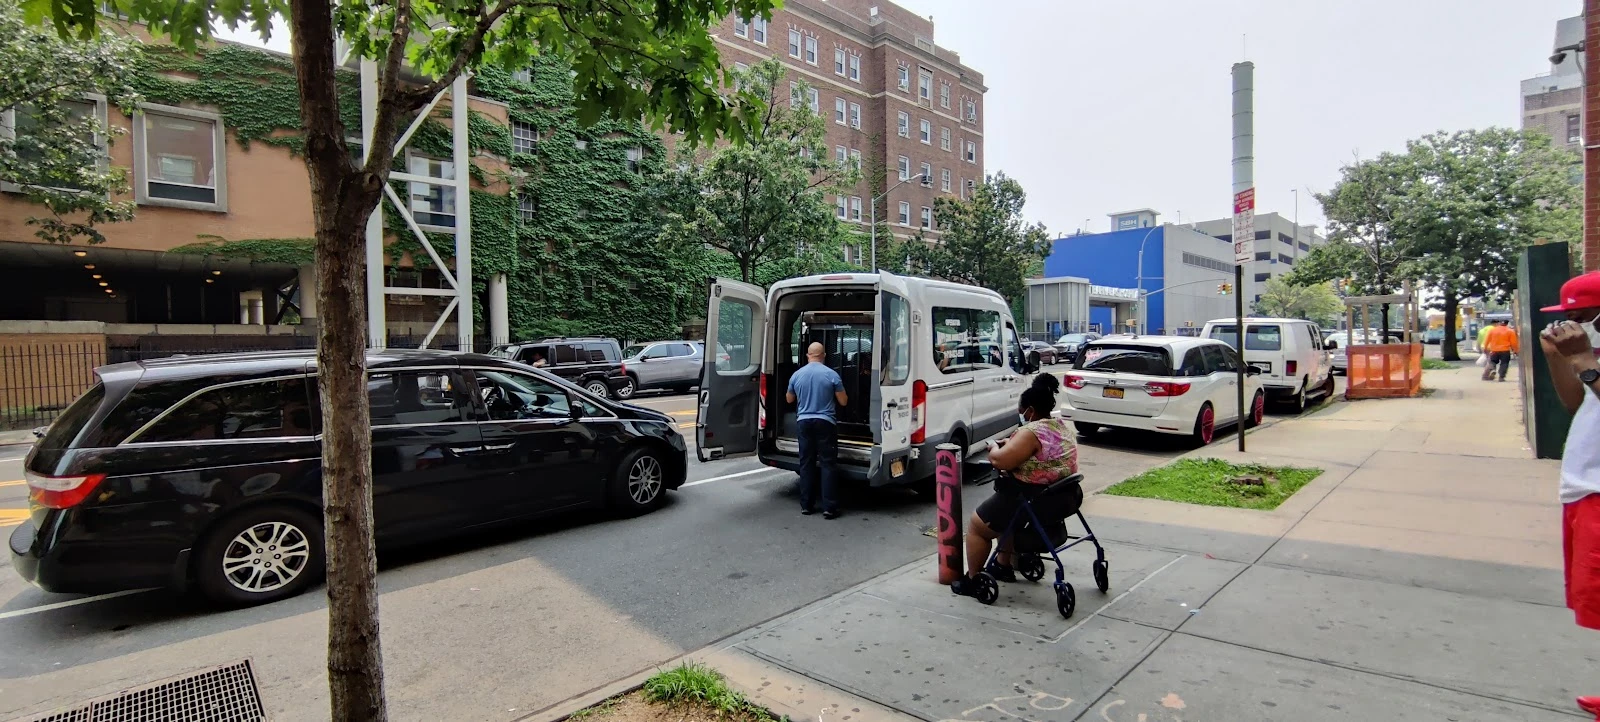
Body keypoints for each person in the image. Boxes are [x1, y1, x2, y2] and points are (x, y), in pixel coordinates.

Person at [952, 375, 1080, 596]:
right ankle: (1003, 565)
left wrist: (994, 448)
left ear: (1030, 410)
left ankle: (972, 580)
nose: (1021, 415)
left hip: (1031, 499)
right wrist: (1011, 443)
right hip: (1062, 495)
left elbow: (1000, 461)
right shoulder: (1060, 427)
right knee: (1005, 517)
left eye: (1022, 411)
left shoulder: (1031, 433)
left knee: (977, 527)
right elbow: (1038, 453)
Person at [1538, 272, 1600, 720]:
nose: (1571, 324)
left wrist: (1583, 359)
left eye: (1581, 316)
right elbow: (1575, 404)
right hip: (1583, 489)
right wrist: (1559, 360)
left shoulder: (1590, 355)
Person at [787, 342, 848, 519]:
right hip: (825, 422)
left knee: (806, 463)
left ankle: (806, 505)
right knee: (827, 464)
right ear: (824, 356)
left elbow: (789, 399)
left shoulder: (797, 375)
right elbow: (843, 401)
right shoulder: (832, 375)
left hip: (803, 422)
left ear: (808, 355)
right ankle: (829, 508)